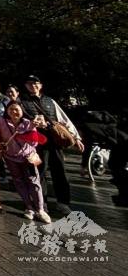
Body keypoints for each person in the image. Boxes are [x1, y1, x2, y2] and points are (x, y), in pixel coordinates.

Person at [20, 75, 84, 215]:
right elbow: (18, 122)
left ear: (40, 85)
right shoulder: (22, 102)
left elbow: (64, 119)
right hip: (36, 143)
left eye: (35, 83)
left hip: (54, 142)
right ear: (26, 86)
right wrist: (31, 124)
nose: (33, 86)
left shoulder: (50, 101)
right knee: (39, 173)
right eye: (29, 83)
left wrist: (76, 137)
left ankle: (63, 203)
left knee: (60, 172)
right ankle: (41, 204)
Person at [0, 101, 50, 223]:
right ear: (7, 110)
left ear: (22, 111)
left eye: (16, 109)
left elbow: (35, 143)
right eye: (11, 109)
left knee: (34, 182)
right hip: (10, 157)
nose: (14, 112)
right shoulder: (0, 121)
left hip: (28, 158)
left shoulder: (28, 123)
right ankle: (29, 207)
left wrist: (28, 132)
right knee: (18, 181)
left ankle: (40, 209)